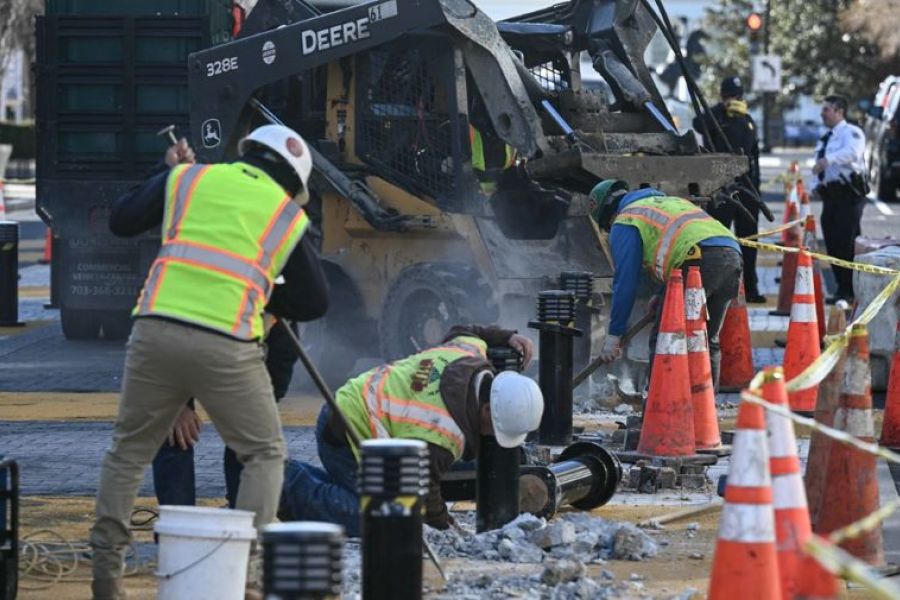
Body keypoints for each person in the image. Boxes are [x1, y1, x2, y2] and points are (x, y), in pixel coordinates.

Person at [90, 124, 328, 600]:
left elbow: (121, 219)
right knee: (263, 454)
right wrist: (267, 299)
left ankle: (105, 580)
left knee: (127, 452)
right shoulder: (285, 214)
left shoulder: (189, 178)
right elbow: (316, 300)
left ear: (249, 152)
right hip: (227, 341)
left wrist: (165, 173)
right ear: (293, 184)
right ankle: (242, 576)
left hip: (154, 331)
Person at [278, 324, 543, 535]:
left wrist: (505, 337)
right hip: (347, 433)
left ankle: (296, 477)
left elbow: (467, 331)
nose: (493, 437)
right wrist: (447, 528)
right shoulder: (443, 433)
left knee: (373, 495)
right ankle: (284, 485)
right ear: (486, 410)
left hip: (354, 403)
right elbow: (423, 496)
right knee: (385, 520)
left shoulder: (469, 354)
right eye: (496, 429)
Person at [590, 180, 743, 389]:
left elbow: (625, 282)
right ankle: (705, 415)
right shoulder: (669, 202)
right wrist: (662, 294)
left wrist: (614, 334)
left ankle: (659, 415)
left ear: (607, 214)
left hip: (699, 261)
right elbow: (678, 245)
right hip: (732, 255)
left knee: (666, 338)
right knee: (706, 339)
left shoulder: (626, 220)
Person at [150, 319, 303, 508]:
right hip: (182, 344)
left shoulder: (279, 321)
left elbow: (281, 359)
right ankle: (176, 523)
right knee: (174, 431)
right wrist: (177, 404)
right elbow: (164, 336)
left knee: (250, 437)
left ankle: (241, 522)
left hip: (241, 355)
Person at [692, 75, 764, 303]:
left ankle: (750, 288)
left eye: (737, 96)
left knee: (748, 241)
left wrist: (757, 192)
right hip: (719, 189)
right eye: (730, 96)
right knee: (718, 240)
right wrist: (718, 109)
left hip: (746, 190)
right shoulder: (714, 118)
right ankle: (717, 289)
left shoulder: (747, 120)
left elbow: (753, 155)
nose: (734, 100)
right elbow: (697, 123)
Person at [811, 94, 867, 303]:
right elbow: (817, 164)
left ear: (839, 111)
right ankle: (842, 288)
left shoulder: (852, 132)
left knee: (845, 242)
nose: (822, 113)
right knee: (832, 243)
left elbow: (853, 153)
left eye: (826, 109)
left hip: (849, 195)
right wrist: (815, 186)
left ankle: (851, 290)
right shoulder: (826, 137)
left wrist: (829, 160)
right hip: (830, 197)